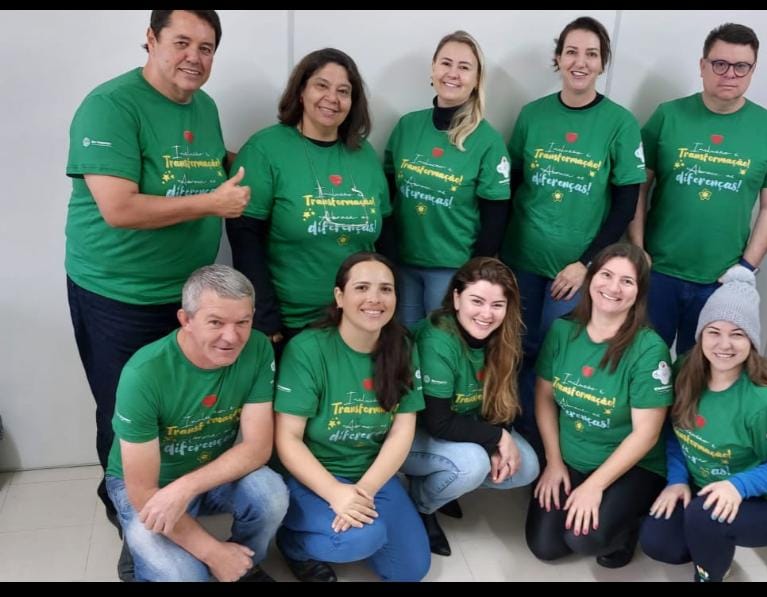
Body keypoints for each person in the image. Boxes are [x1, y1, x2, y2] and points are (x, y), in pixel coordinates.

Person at [65, 9, 249, 527]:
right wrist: (212, 204)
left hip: (187, 295)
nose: (194, 57)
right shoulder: (110, 106)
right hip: (116, 294)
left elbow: (207, 162)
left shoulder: (204, 106)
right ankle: (127, 515)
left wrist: (264, 160)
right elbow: (118, 208)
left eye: (206, 48)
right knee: (125, 411)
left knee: (180, 407)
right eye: (181, 42)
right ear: (150, 39)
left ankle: (169, 498)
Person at [501, 16, 647, 440]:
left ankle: (539, 441)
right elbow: (511, 186)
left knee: (554, 355)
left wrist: (586, 264)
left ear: (602, 63)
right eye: (571, 52)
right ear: (558, 59)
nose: (580, 62)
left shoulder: (620, 123)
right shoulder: (532, 115)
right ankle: (508, 435)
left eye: (591, 54)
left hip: (575, 270)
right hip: (522, 260)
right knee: (514, 349)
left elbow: (625, 204)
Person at [104, 265, 287, 582]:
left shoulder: (258, 348)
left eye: (243, 322)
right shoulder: (143, 374)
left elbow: (258, 448)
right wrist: (212, 552)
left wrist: (186, 487)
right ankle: (143, 545)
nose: (232, 337)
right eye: (216, 322)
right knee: (184, 576)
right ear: (186, 320)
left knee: (271, 495)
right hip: (146, 486)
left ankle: (242, 566)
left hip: (205, 471)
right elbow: (142, 489)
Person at [629, 23, 767, 356]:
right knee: (644, 362)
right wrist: (638, 248)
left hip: (722, 279)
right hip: (658, 271)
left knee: (701, 371)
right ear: (703, 65)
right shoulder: (668, 116)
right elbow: (637, 188)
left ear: (752, 71)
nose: (730, 74)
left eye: (741, 66)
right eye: (720, 64)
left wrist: (746, 267)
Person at [640, 267, 767, 582]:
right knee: (660, 543)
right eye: (714, 332)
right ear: (701, 334)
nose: (724, 344)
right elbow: (675, 433)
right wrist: (677, 480)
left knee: (704, 516)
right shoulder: (684, 373)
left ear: (752, 340)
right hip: (703, 486)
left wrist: (737, 486)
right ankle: (712, 538)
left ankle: (711, 573)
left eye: (738, 334)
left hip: (765, 500)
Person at [274, 252, 429, 582]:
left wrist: (365, 491)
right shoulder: (307, 349)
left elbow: (402, 429)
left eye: (386, 289)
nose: (375, 299)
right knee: (360, 538)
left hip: (369, 473)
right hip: (312, 474)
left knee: (411, 571)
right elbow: (287, 439)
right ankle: (294, 545)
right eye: (361, 287)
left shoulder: (402, 346)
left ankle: (356, 526)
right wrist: (335, 493)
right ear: (339, 296)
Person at [228, 48, 389, 355]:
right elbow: (244, 237)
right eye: (321, 85)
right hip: (291, 324)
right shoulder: (265, 149)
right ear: (301, 91)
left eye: (344, 91)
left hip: (359, 320)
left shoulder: (365, 154)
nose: (332, 98)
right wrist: (264, 315)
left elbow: (386, 237)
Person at [526, 243, 671, 569]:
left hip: (632, 466)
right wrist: (553, 462)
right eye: (606, 275)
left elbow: (646, 434)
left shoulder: (649, 350)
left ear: (639, 292)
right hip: (573, 457)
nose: (613, 288)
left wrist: (595, 486)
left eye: (627, 281)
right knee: (545, 546)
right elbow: (544, 397)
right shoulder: (562, 331)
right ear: (590, 279)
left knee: (584, 539)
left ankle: (630, 525)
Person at [401, 257, 540, 556]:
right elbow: (438, 422)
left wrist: (498, 435)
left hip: (463, 424)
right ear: (456, 298)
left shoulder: (504, 337)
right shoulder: (438, 339)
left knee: (526, 467)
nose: (487, 314)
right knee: (472, 465)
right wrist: (497, 438)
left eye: (497, 305)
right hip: (414, 435)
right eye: (476, 301)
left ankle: (439, 480)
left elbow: (500, 403)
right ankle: (420, 506)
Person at [384, 31, 512, 328]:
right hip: (403, 264)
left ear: (476, 79)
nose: (453, 73)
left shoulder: (488, 141)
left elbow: (495, 219)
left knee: (441, 343)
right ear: (433, 69)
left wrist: (472, 276)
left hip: (453, 269)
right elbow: (387, 196)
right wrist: (389, 257)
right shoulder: (407, 126)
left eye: (464, 67)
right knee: (404, 341)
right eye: (446, 63)